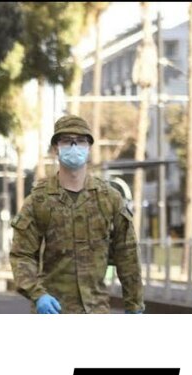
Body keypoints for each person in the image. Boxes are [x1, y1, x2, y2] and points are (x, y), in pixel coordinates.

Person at [10, 114, 144, 314]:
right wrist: (38, 295)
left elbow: (127, 253)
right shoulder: (38, 201)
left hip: (96, 310)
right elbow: (22, 255)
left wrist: (134, 304)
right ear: (56, 148)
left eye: (80, 141)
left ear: (89, 147)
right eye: (66, 141)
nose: (74, 147)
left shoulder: (109, 199)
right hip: (54, 310)